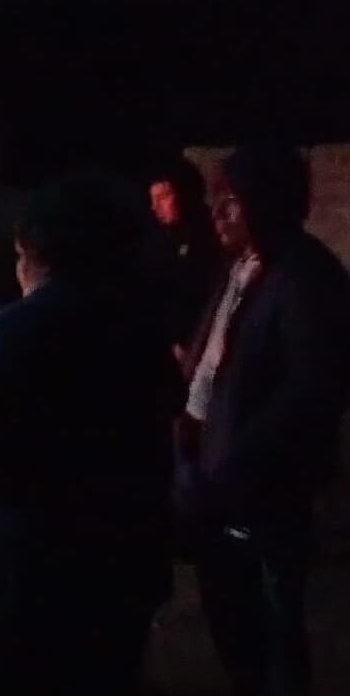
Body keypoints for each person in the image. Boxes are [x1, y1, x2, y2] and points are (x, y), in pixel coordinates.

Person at [0, 179, 184, 696]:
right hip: (118, 579)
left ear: (37, 257)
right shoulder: (139, 333)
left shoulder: (11, 333)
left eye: (18, 255)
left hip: (16, 584)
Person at [178, 145, 350, 696]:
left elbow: (311, 393)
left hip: (263, 491)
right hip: (217, 481)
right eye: (216, 200)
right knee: (232, 618)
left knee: (272, 626)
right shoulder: (242, 266)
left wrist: (236, 462)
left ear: (270, 202)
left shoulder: (306, 277)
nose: (217, 213)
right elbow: (226, 357)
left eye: (231, 201)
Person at [149, 160, 222, 354]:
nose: (155, 207)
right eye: (153, 199)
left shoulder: (211, 236)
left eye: (163, 197)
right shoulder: (164, 239)